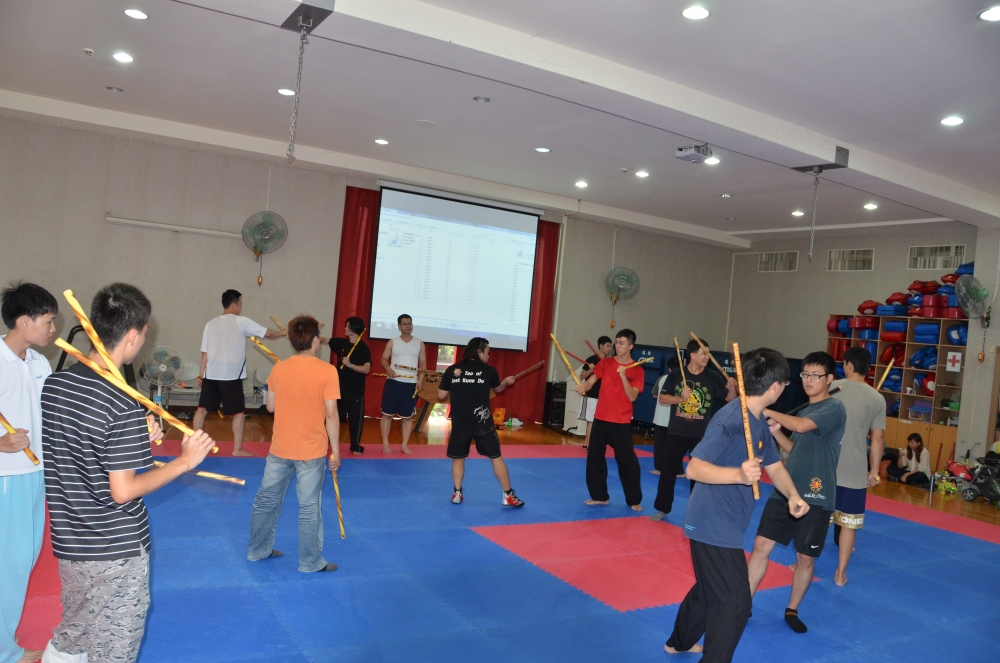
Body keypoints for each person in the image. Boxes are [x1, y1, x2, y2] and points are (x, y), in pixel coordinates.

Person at [40, 283, 215, 663]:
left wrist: (137, 434)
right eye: (145, 332)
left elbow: (81, 444)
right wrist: (184, 462)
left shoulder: (56, 384)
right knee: (112, 651)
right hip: (113, 550)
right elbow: (122, 490)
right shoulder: (121, 402)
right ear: (133, 335)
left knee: (73, 636)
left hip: (70, 542)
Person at [663, 348, 808, 662]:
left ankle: (680, 642)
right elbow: (694, 468)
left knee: (709, 589)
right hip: (712, 522)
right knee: (735, 603)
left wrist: (793, 495)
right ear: (774, 387)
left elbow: (775, 467)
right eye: (784, 383)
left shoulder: (758, 420)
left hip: (728, 520)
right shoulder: (731, 418)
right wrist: (738, 475)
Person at [748, 351, 847, 634]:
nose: (808, 380)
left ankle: (792, 609)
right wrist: (777, 433)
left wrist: (764, 408)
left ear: (829, 378)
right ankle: (743, 602)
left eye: (816, 375)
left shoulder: (834, 407)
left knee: (805, 557)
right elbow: (795, 450)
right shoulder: (804, 411)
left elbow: (802, 427)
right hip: (786, 489)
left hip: (817, 494)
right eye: (805, 374)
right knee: (761, 546)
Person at [248, 316, 340, 573]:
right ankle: (309, 562)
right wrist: (336, 451)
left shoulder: (280, 368)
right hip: (311, 451)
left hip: (280, 448)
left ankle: (257, 550)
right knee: (309, 507)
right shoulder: (327, 371)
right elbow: (331, 415)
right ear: (315, 341)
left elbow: (270, 407)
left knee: (266, 501)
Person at [0, 282, 57, 663]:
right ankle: (5, 652)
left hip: (37, 474)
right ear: (24, 321)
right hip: (7, 477)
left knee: (24, 560)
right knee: (10, 564)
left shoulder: (40, 363)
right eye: (48, 321)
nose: (53, 329)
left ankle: (6, 639)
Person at [651, 338, 737, 522]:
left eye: (708, 353)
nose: (707, 357)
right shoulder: (676, 374)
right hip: (676, 431)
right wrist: (680, 399)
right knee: (667, 472)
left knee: (698, 474)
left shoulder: (712, 377)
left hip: (700, 434)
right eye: (703, 353)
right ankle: (662, 508)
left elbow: (730, 399)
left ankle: (697, 511)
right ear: (692, 355)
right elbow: (662, 398)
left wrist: (732, 388)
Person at [194, 289, 284, 456]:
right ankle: (237, 449)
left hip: (211, 375)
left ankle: (195, 446)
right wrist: (284, 332)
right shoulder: (241, 321)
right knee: (238, 413)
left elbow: (204, 353)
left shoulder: (210, 324)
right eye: (240, 304)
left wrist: (201, 374)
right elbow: (269, 334)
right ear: (234, 305)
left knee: (202, 409)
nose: (241, 307)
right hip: (231, 377)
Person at [438, 337, 524, 507]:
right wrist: (506, 382)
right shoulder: (489, 371)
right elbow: (499, 389)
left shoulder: (453, 369)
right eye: (487, 352)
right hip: (482, 422)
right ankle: (508, 495)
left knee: (458, 458)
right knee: (496, 457)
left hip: (460, 422)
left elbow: (441, 395)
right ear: (479, 352)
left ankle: (457, 493)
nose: (488, 356)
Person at [830, 345, 886, 587]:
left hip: (826, 463)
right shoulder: (877, 398)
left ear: (849, 365)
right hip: (854, 470)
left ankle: (800, 564)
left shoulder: (832, 387)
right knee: (849, 523)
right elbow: (878, 438)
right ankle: (840, 574)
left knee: (816, 517)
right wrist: (874, 471)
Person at [575, 329, 645, 511]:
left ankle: (634, 499)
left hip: (621, 422)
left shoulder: (637, 370)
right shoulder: (605, 363)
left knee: (627, 462)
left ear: (631, 346)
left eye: (622, 343)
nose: (617, 346)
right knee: (594, 458)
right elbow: (590, 382)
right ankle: (599, 496)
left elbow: (632, 397)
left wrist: (623, 377)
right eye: (616, 342)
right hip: (601, 418)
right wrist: (583, 387)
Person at [323, 317, 371, 455]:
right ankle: (325, 442)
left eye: (347, 326)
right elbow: (324, 340)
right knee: (332, 416)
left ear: (354, 329)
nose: (345, 328)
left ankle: (355, 445)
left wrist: (350, 365)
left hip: (355, 390)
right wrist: (310, 336)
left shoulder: (363, 348)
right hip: (338, 389)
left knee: (355, 419)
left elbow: (366, 369)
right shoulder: (341, 343)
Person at [379, 314, 425, 455]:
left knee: (407, 417)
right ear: (399, 326)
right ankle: (385, 443)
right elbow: (383, 359)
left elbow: (423, 364)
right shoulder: (392, 342)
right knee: (387, 415)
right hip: (393, 382)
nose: (407, 326)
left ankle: (404, 445)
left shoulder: (419, 343)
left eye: (409, 323)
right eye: (404, 324)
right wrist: (388, 369)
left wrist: (420, 379)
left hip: (410, 384)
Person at [579, 336, 612, 450]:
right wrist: (590, 370)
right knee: (591, 420)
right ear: (600, 346)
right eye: (607, 346)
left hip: (605, 395)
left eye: (610, 346)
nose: (609, 348)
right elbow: (582, 376)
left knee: (601, 420)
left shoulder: (609, 361)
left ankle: (592, 442)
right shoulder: (591, 359)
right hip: (593, 394)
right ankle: (588, 443)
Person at [650, 356, 680, 475]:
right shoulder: (683, 381)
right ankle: (677, 470)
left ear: (669, 368)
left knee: (660, 445)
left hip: (660, 417)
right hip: (675, 420)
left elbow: (654, 395)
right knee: (675, 447)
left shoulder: (662, 378)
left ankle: (659, 468)